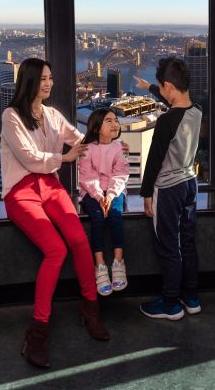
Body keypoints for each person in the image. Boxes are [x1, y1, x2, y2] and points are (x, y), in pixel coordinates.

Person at [1, 58, 109, 369]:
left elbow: (79, 140)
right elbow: (30, 158)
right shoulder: (11, 117)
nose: (49, 83)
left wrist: (108, 144)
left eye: (51, 78)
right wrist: (65, 157)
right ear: (30, 81)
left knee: (78, 240)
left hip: (49, 186)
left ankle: (90, 309)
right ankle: (37, 332)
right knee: (56, 250)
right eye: (44, 79)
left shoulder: (51, 114)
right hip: (21, 192)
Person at [135, 57, 203, 321]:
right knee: (187, 241)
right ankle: (191, 297)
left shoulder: (165, 122)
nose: (161, 92)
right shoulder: (196, 110)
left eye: (161, 88)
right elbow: (175, 106)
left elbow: (153, 161)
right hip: (190, 184)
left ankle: (170, 303)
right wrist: (150, 89)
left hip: (169, 188)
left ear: (169, 86)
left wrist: (146, 194)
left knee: (168, 246)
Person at [78, 107, 130, 296]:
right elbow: (87, 177)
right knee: (98, 218)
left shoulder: (120, 147)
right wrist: (100, 197)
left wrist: (110, 195)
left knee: (116, 217)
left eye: (116, 120)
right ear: (97, 126)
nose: (115, 124)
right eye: (109, 121)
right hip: (92, 194)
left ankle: (118, 261)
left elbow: (121, 173)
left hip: (115, 192)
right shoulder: (87, 149)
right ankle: (99, 264)